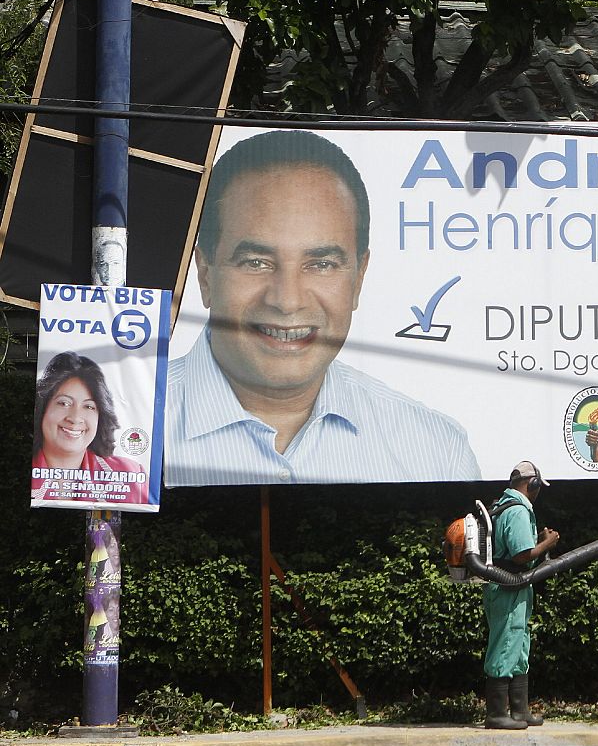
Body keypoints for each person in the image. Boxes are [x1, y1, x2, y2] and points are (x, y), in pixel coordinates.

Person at [165, 130, 480, 485]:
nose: (287, 301)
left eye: (322, 264)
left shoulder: (436, 453)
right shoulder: (116, 431)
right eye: (256, 262)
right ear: (205, 274)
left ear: (359, 277)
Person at [481, 461, 560, 730]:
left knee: (519, 645)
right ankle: (496, 714)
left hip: (513, 587)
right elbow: (520, 555)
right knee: (505, 645)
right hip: (508, 588)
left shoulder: (506, 505)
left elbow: (518, 546)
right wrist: (547, 544)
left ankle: (519, 711)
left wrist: (537, 540)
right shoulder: (517, 511)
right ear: (533, 484)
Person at [30, 352, 149, 504]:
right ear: (43, 409)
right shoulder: (18, 471)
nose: (75, 418)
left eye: (88, 406)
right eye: (64, 403)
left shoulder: (130, 475)